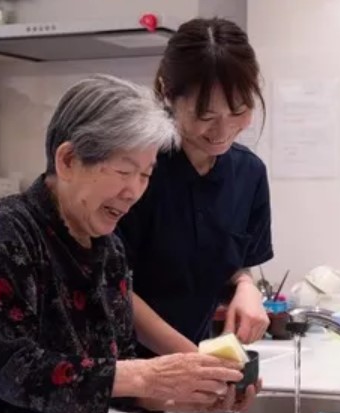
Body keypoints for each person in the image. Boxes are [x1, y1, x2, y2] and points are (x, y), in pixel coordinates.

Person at [0, 74, 249, 413]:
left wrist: (191, 392)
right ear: (67, 160)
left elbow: (112, 374)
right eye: (123, 171)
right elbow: (10, 369)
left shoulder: (109, 249)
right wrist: (147, 376)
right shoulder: (3, 232)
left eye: (145, 175)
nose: (134, 192)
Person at [117, 17, 273, 357]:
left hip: (189, 363)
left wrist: (246, 286)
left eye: (239, 111)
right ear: (166, 93)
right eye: (205, 115)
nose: (223, 130)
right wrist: (188, 361)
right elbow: (112, 285)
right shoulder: (137, 169)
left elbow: (231, 259)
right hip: (119, 372)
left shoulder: (249, 174)